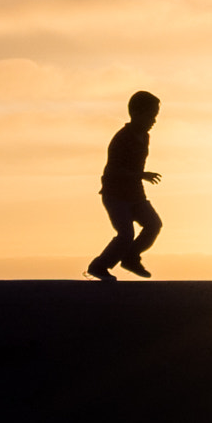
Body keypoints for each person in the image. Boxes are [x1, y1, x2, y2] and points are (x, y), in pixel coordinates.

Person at [88, 90, 162, 281]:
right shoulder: (122, 138)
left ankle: (130, 258)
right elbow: (112, 171)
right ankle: (99, 266)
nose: (154, 121)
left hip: (135, 195)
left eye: (155, 116)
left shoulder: (145, 137)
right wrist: (141, 175)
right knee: (125, 234)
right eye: (150, 116)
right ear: (136, 114)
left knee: (153, 224)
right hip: (115, 195)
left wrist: (139, 178)